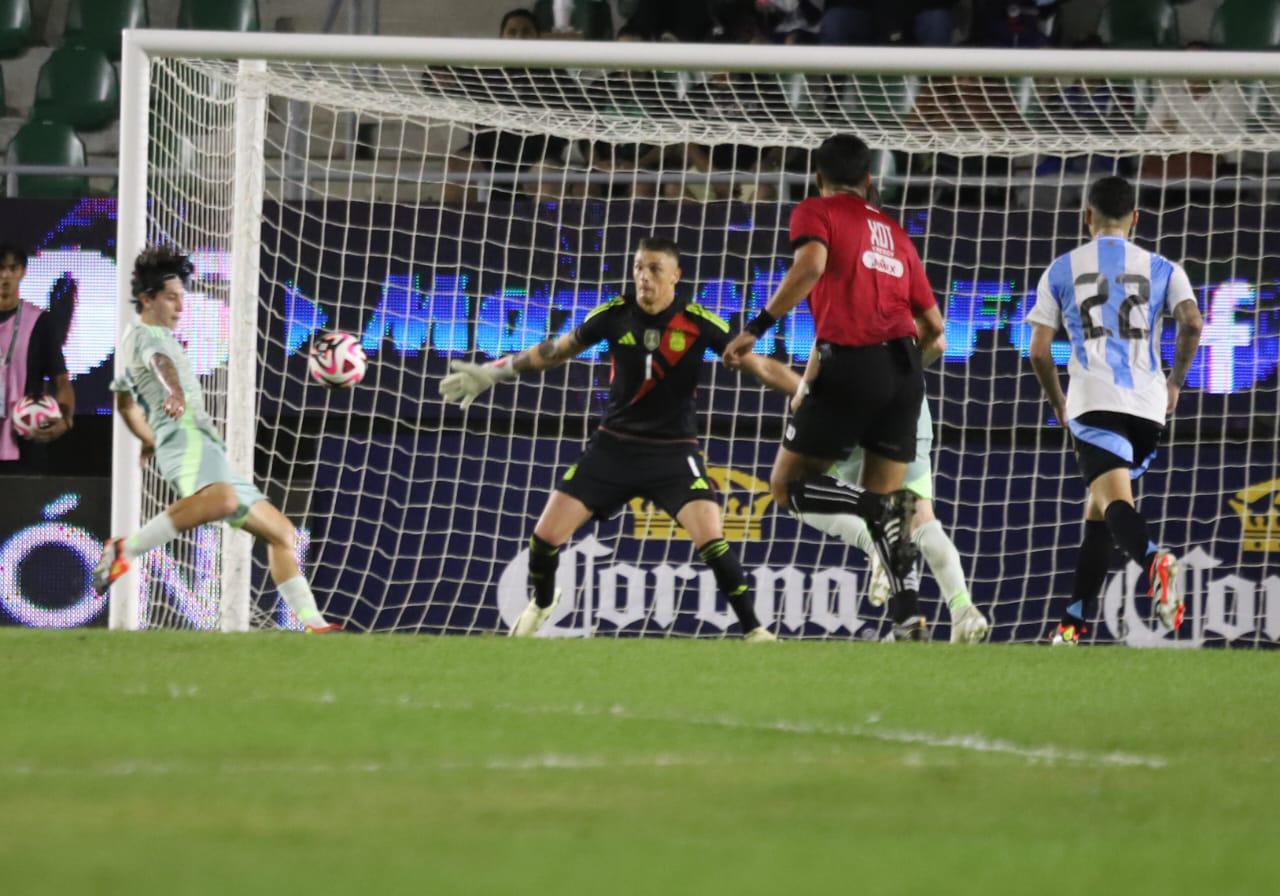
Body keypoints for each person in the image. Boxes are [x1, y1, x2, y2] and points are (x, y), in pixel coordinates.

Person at [439, 237, 801, 640]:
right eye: (639, 268)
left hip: (673, 452)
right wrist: (495, 371)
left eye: (655, 270)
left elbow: (762, 366)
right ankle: (542, 602)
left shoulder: (700, 322)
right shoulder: (613, 314)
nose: (644, 278)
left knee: (714, 542)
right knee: (543, 540)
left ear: (675, 276)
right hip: (612, 447)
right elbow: (555, 351)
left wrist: (805, 393)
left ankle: (755, 631)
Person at [723, 134, 946, 641]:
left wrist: (755, 328)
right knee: (893, 508)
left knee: (787, 487)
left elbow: (812, 266)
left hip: (851, 362)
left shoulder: (816, 211)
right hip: (905, 373)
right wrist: (905, 375)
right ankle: (908, 617)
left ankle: (871, 507)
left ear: (818, 179)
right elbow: (936, 330)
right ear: (870, 181)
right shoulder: (896, 233)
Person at [94, 245, 339, 633]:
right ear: (147, 299)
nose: (180, 306)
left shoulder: (134, 340)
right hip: (186, 442)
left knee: (282, 533)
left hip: (201, 445)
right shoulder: (146, 337)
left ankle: (315, 624)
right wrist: (172, 393)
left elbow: (124, 403)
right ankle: (125, 549)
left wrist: (146, 436)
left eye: (181, 297)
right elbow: (162, 365)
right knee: (223, 498)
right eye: (171, 298)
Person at [1027, 176, 1204, 645]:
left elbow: (1039, 352)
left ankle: (1155, 562)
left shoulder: (1062, 269)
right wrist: (1175, 384)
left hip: (1095, 402)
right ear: (1136, 219)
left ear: (1087, 215)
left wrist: (1059, 403)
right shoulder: (1165, 267)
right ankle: (1072, 625)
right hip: (1148, 408)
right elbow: (1192, 322)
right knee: (1100, 512)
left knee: (1114, 505)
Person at [793, 344, 990, 643]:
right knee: (919, 515)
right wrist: (902, 369)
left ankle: (874, 549)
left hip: (850, 394)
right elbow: (937, 341)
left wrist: (804, 388)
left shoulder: (841, 299)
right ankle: (961, 609)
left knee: (794, 486)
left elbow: (825, 339)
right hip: (906, 400)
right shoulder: (906, 297)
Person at [0, 242, 75, 473]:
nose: (5, 276)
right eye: (0, 269)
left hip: (25, 440)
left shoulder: (39, 322)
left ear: (22, 272)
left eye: (12, 269)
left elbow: (61, 381)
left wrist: (65, 419)